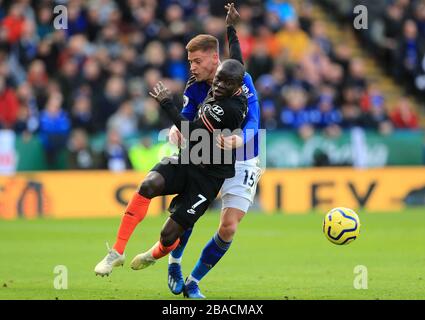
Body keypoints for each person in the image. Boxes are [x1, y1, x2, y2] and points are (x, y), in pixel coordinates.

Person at [94, 58, 247, 293]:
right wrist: (231, 29)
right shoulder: (220, 87)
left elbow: (193, 132)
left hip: (208, 178)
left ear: (237, 87)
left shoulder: (231, 109)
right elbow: (235, 59)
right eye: (218, 79)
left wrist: (167, 104)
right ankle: (117, 252)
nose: (218, 86)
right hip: (188, 159)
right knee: (148, 185)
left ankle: (155, 253)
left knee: (169, 236)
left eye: (225, 84)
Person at [166, 3, 261, 298]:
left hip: (244, 154)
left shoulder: (241, 80)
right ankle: (174, 263)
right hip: (208, 151)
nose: (192, 66)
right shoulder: (195, 85)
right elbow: (189, 111)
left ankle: (193, 281)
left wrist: (240, 139)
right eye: (190, 61)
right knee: (191, 211)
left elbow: (254, 119)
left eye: (196, 60)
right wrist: (176, 128)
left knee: (229, 227)